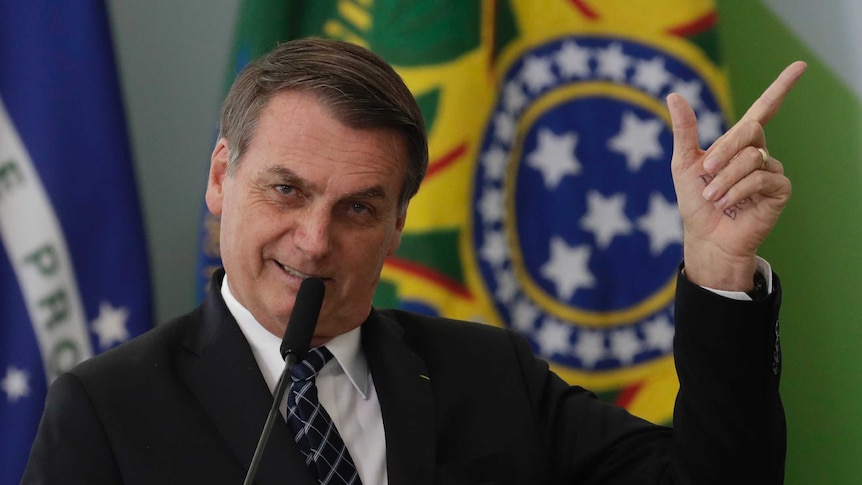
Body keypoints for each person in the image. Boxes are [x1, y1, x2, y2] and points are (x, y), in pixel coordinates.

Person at [22, 37, 805, 484]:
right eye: (287, 190)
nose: (316, 239)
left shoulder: (488, 374)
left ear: (397, 224)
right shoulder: (107, 412)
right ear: (223, 176)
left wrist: (717, 266)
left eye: (358, 208)